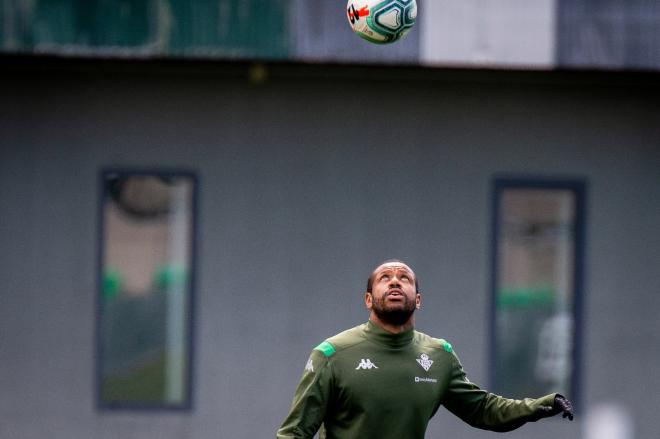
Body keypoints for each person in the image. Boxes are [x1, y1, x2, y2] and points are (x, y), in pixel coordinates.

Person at [277, 259, 574, 439]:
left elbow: (484, 410)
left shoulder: (439, 355)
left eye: (404, 278)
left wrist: (540, 405)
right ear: (368, 300)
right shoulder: (331, 354)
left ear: (417, 299)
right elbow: (295, 432)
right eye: (385, 278)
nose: (395, 282)